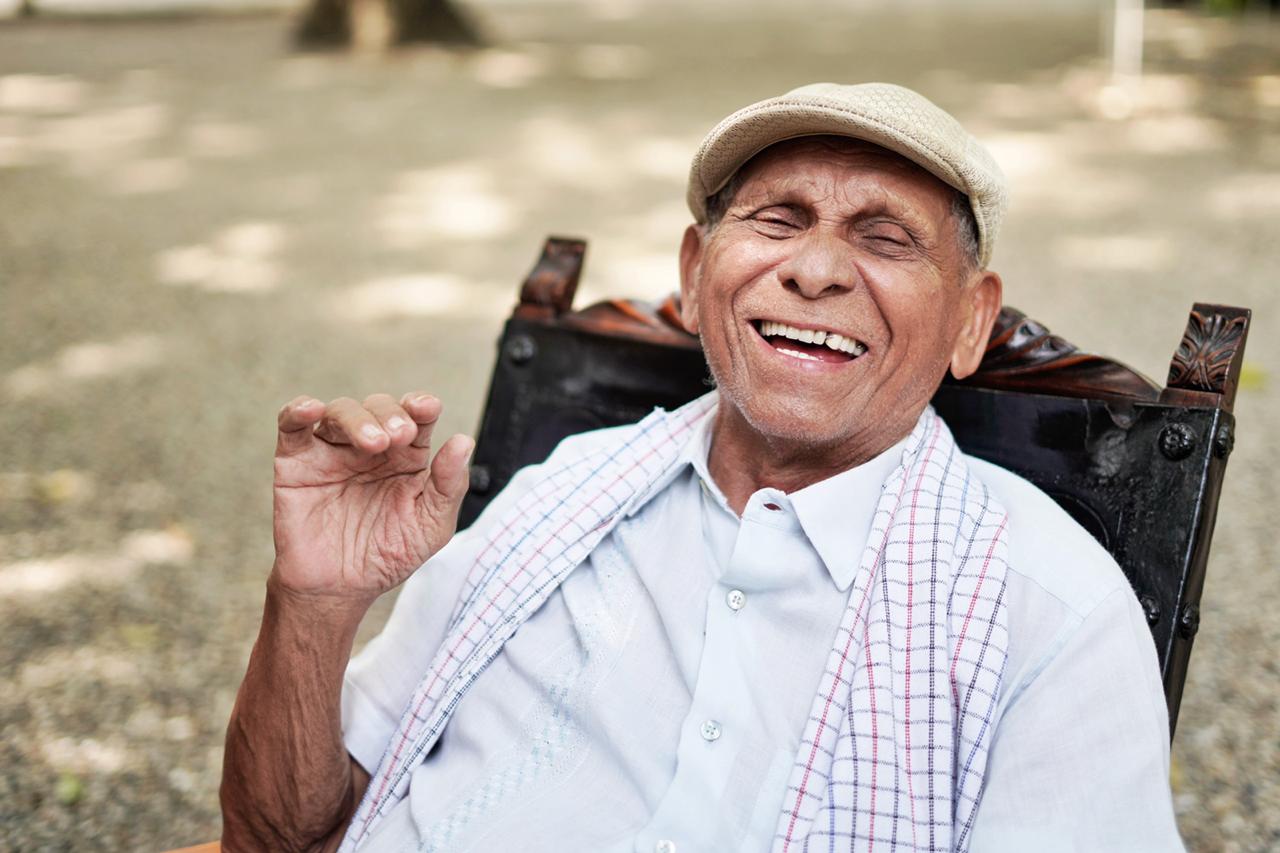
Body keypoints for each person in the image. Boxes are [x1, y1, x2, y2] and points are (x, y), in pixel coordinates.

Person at [219, 83, 1184, 852]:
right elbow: (284, 836)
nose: (815, 271)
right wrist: (313, 603)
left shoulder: (1049, 614)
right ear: (692, 275)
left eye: (885, 237)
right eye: (776, 220)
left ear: (972, 320)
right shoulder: (562, 496)